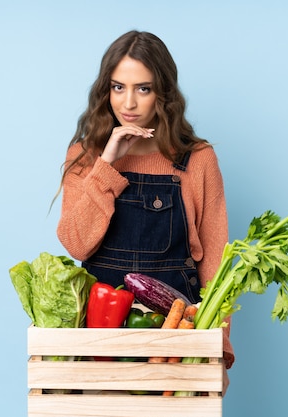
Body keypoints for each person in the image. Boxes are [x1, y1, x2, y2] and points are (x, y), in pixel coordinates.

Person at [56, 30, 234, 370]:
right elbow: (77, 244)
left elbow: (215, 266)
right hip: (98, 343)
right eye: (118, 87)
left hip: (177, 341)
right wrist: (106, 164)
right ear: (105, 90)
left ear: (163, 93)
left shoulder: (197, 160)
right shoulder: (84, 155)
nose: (129, 103)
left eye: (144, 88)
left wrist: (218, 350)